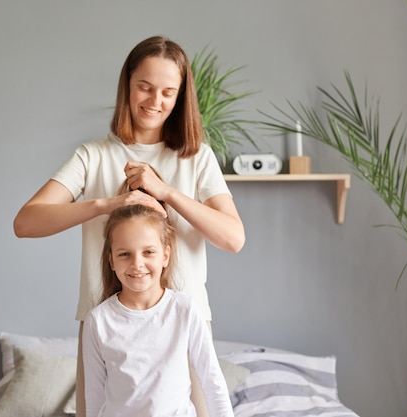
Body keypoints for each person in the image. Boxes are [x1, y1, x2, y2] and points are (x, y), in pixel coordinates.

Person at [13, 35, 245, 417]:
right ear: (127, 86)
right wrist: (107, 204)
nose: (155, 101)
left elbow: (233, 237)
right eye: (145, 87)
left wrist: (166, 192)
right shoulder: (93, 156)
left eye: (168, 92)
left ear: (181, 96)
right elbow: (26, 222)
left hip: (181, 326)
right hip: (108, 323)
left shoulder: (197, 158)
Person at [82, 204, 234, 417]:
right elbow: (94, 398)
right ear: (111, 260)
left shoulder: (185, 310)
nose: (137, 264)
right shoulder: (98, 321)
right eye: (125, 254)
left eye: (148, 252)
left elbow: (212, 381)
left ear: (165, 256)